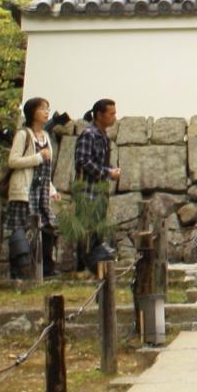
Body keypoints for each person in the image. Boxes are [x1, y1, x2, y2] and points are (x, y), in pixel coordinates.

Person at [4, 97, 58, 278]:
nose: (46, 112)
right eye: (42, 109)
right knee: (22, 233)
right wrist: (38, 157)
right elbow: (13, 161)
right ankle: (19, 273)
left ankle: (46, 271)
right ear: (32, 112)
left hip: (41, 194)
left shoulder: (46, 136)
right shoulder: (23, 135)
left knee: (47, 229)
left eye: (47, 109)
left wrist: (52, 189)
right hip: (24, 192)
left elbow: (45, 170)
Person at [73, 99, 121, 271]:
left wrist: (111, 170)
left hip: (99, 191)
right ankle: (84, 267)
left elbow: (99, 161)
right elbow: (83, 161)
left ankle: (95, 267)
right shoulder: (89, 134)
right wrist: (108, 172)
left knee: (97, 230)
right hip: (87, 191)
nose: (114, 117)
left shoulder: (103, 136)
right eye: (111, 113)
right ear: (99, 115)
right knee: (87, 230)